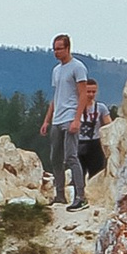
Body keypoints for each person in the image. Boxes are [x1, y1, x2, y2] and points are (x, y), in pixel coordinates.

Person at [41, 32, 85, 206]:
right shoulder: (56, 70)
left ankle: (80, 196)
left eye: (60, 49)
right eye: (54, 49)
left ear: (68, 48)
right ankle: (60, 195)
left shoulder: (78, 67)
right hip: (57, 119)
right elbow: (56, 96)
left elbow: (82, 94)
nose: (56, 52)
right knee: (55, 158)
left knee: (71, 157)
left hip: (70, 117)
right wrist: (47, 120)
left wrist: (77, 119)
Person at [76, 75, 108, 199]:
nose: (90, 94)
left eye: (93, 92)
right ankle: (79, 197)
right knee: (78, 173)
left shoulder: (101, 108)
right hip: (78, 142)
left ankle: (94, 197)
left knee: (96, 173)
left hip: (95, 143)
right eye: (88, 91)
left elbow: (108, 125)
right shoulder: (75, 107)